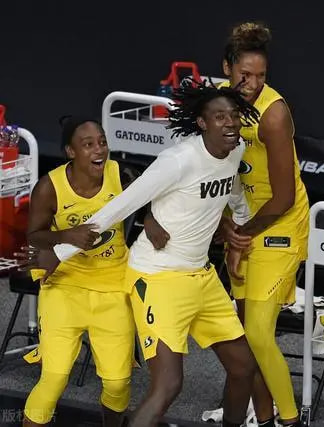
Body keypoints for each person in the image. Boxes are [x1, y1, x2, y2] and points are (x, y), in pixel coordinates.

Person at [42, 81, 262, 427]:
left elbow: (232, 189)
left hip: (202, 276)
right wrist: (62, 250)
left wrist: (239, 227)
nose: (230, 123)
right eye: (220, 117)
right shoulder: (178, 160)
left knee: (244, 368)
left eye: (234, 115)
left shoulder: (235, 150)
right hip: (157, 277)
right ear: (202, 123)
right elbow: (122, 204)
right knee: (168, 385)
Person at [216, 22, 310, 427]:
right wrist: (229, 229)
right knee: (243, 334)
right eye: (244, 75)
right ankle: (265, 417)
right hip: (244, 220)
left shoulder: (273, 114)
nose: (252, 84)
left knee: (256, 332)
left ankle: (291, 420)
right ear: (227, 68)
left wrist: (241, 235)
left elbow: (284, 198)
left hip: (280, 223)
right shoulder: (219, 106)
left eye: (261, 76)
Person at [22, 117, 135, 427]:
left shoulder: (121, 174)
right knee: (54, 378)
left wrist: (151, 223)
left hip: (113, 288)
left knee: (117, 383)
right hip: (65, 285)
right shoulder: (49, 187)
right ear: (71, 152)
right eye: (88, 144)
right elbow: (34, 236)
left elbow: (153, 200)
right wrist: (65, 236)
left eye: (102, 142)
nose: (99, 149)